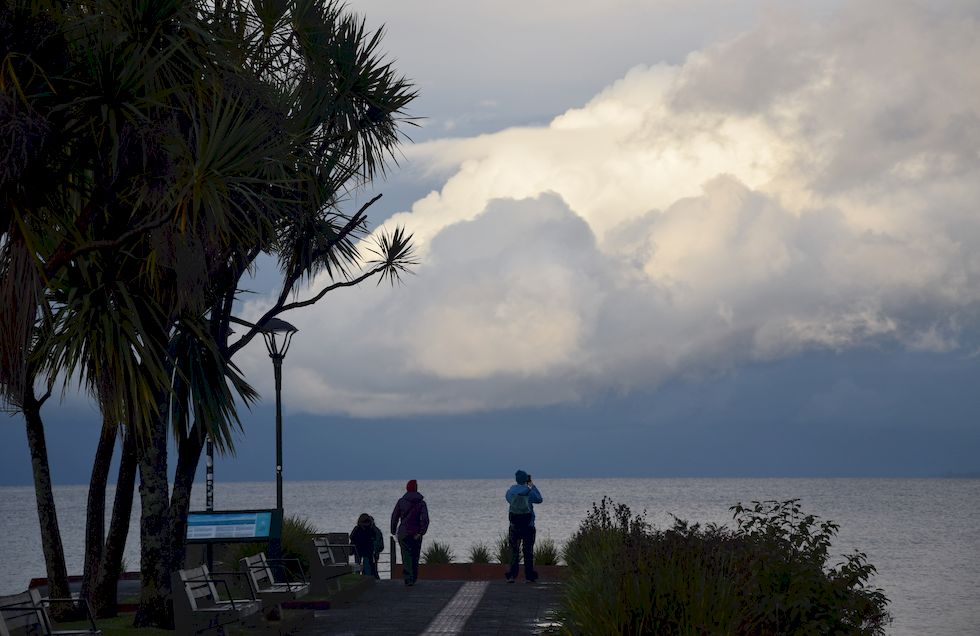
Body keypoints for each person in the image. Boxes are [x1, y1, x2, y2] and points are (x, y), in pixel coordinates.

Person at [505, 469, 543, 583]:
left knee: (514, 551)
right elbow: (539, 499)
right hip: (528, 525)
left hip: (514, 524)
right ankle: (529, 576)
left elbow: (509, 500)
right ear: (526, 479)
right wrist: (531, 484)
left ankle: (512, 575)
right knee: (528, 551)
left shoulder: (510, 492)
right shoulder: (528, 491)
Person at [390, 479, 429, 586]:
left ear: (407, 488)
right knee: (415, 555)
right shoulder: (422, 503)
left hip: (403, 533)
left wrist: (393, 530)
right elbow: (425, 519)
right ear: (416, 488)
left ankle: (408, 578)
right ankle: (413, 577)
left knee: (406, 555)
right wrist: (421, 532)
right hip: (416, 533)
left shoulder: (401, 502)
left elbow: (394, 517)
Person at [349, 513, 384, 579]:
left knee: (363, 566)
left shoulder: (358, 529)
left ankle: (362, 578)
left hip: (362, 551)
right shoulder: (371, 529)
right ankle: (365, 578)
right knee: (365, 566)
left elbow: (351, 537)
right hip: (364, 551)